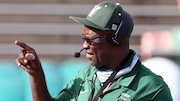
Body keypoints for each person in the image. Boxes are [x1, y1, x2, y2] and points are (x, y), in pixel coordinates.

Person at [15, 1, 173, 101]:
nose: (84, 46)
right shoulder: (85, 76)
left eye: (91, 40)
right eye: (84, 38)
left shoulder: (152, 88)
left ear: (116, 39)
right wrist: (36, 75)